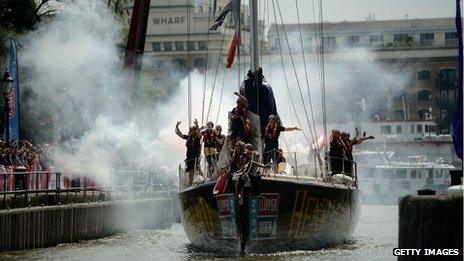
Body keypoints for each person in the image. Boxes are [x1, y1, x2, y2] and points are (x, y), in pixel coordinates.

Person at [175, 120, 202, 187]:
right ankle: (190, 183)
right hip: (189, 156)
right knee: (190, 171)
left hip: (195, 156)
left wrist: (197, 125)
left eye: (191, 130)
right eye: (190, 130)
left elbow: (199, 134)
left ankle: (203, 178)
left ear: (194, 131)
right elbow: (181, 135)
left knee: (197, 168)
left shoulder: (197, 138)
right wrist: (177, 126)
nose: (190, 132)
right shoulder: (188, 137)